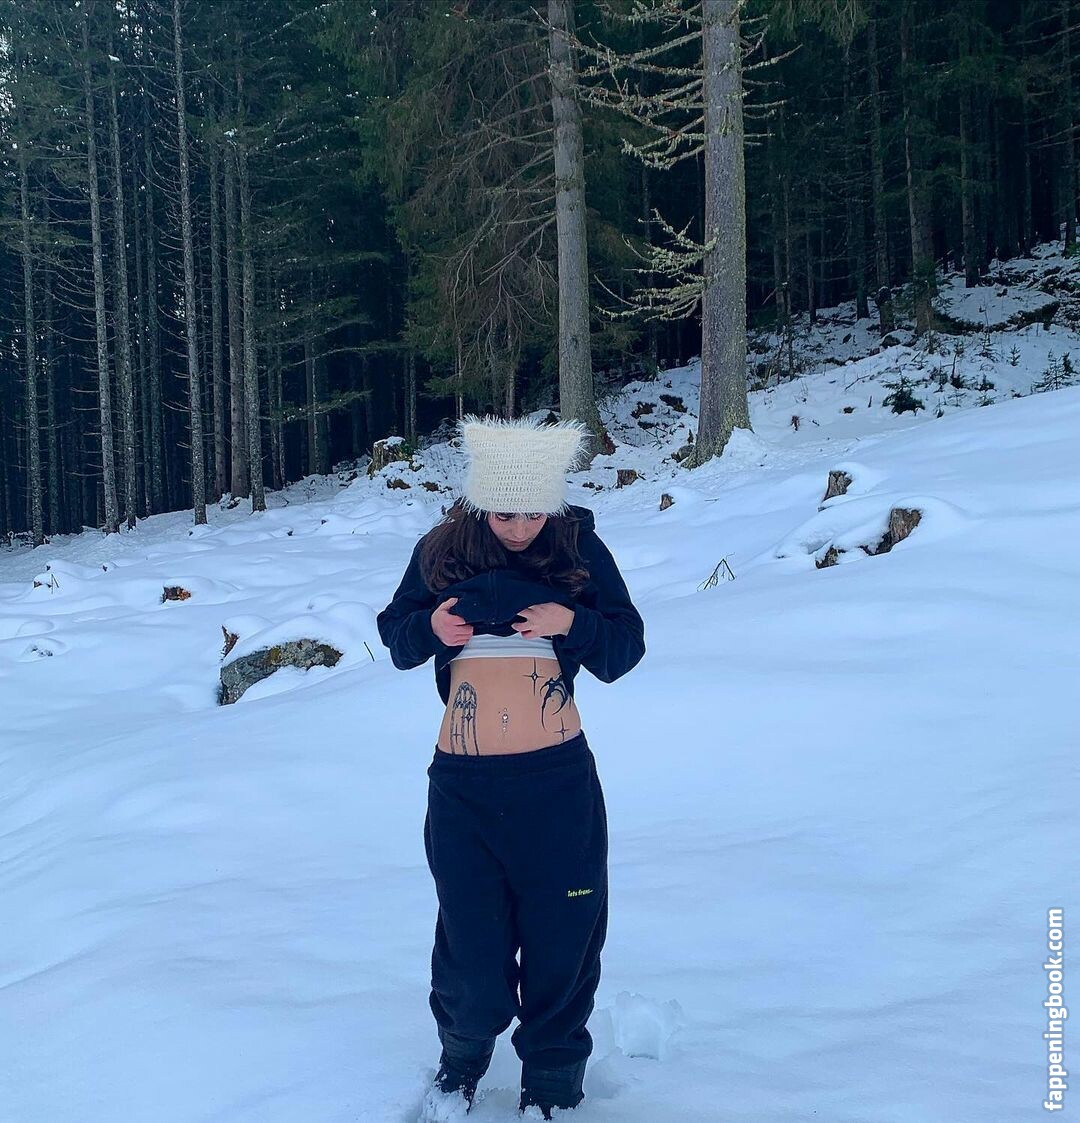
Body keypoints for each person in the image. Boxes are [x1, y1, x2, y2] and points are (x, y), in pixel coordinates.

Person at [376, 414, 646, 1120]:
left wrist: (571, 623)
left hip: (557, 785)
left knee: (564, 938)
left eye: (533, 513)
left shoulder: (577, 548)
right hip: (463, 789)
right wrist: (430, 627)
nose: (521, 528)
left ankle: (552, 1083)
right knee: (470, 941)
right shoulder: (440, 551)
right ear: (479, 503)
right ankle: (462, 1056)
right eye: (504, 513)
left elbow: (624, 648)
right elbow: (397, 635)